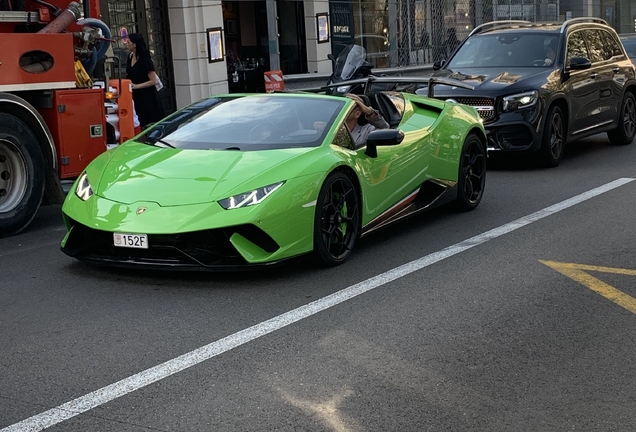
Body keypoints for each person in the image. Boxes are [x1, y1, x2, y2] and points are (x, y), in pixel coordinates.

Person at [125, 33, 165, 129]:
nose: (126, 44)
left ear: (135, 44)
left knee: (148, 119)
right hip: (135, 95)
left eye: (128, 42)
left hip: (147, 96)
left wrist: (136, 86)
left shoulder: (145, 60)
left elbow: (153, 81)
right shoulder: (130, 57)